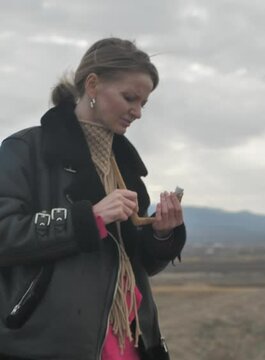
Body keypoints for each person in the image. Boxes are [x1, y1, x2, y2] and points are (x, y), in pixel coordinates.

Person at [0, 38, 186, 359]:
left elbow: (133, 263)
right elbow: (5, 233)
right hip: (49, 344)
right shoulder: (24, 150)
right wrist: (89, 218)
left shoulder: (125, 165)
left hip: (131, 339)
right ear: (93, 85)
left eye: (144, 103)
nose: (138, 112)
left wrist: (162, 234)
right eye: (130, 98)